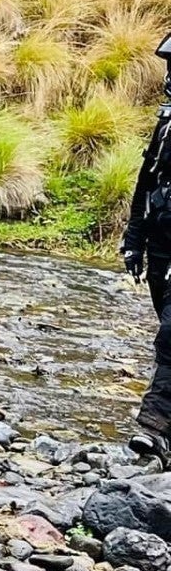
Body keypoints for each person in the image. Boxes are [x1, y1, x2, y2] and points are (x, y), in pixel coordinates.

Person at [123, 32, 171, 457]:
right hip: (160, 247)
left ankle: (153, 426)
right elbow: (147, 180)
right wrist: (133, 239)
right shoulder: (167, 118)